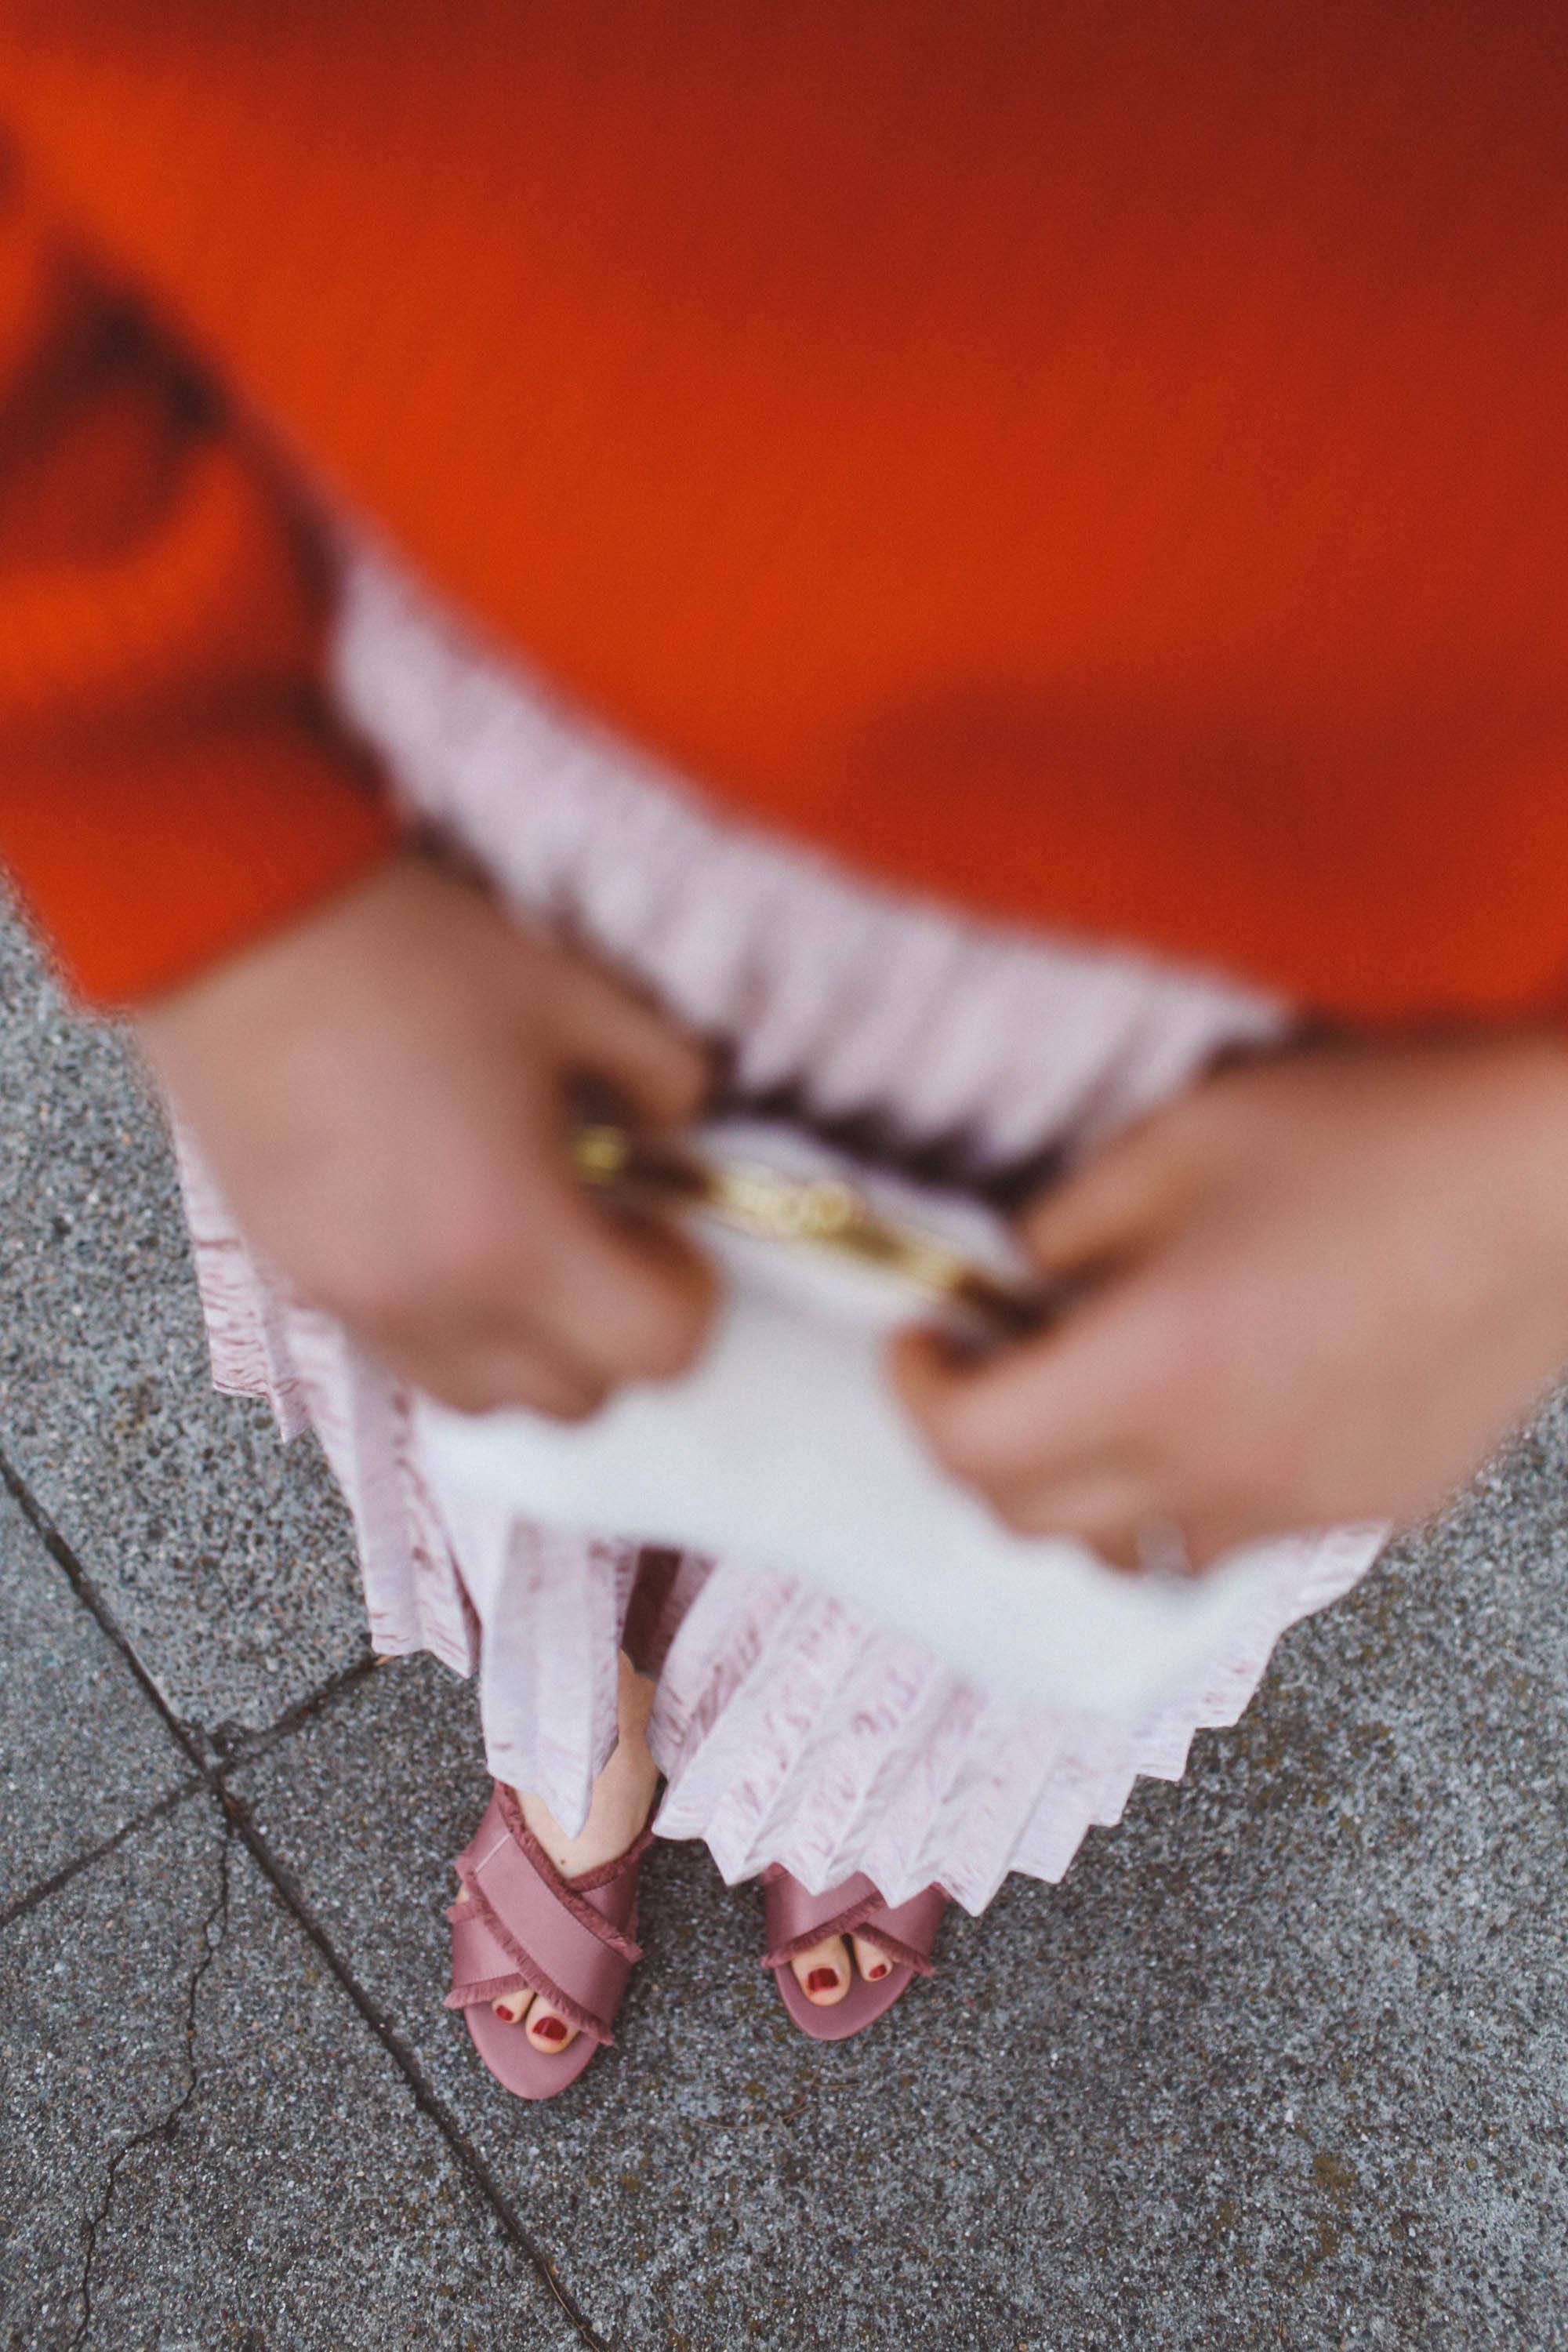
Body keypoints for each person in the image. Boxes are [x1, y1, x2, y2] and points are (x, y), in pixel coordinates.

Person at [3, 4, 1567, 2096]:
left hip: (1369, 1010)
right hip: (496, 736)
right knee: (540, 1388)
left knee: (1042, 1500)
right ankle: (590, 1750)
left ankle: (836, 1788)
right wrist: (181, 810)